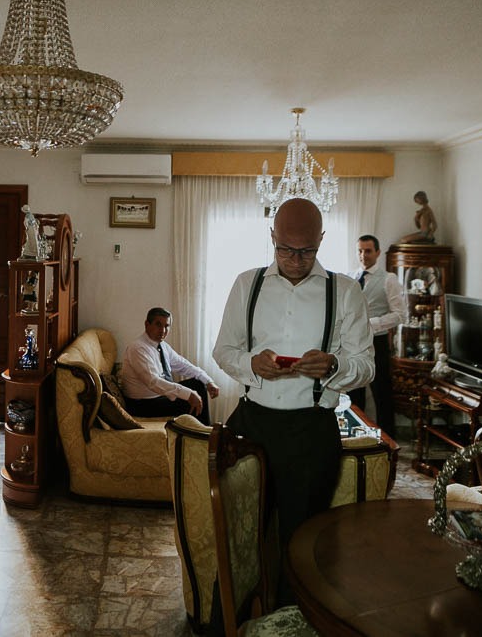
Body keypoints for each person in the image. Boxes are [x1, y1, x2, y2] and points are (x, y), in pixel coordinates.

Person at [212, 198, 373, 602]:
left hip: (312, 430)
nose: (296, 260)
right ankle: (227, 622)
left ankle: (293, 621)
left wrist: (334, 365)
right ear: (271, 238)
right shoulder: (247, 284)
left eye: (306, 250)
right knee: (238, 533)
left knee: (302, 542)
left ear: (320, 240)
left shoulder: (346, 291)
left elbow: (366, 366)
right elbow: (223, 351)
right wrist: (253, 365)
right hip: (250, 426)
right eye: (285, 249)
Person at [348, 235, 405, 437]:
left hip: (377, 342)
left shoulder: (388, 279)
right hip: (352, 344)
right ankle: (356, 436)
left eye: (368, 251)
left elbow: (400, 314)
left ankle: (388, 439)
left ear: (378, 253)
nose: (363, 255)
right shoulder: (351, 277)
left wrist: (371, 324)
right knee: (353, 391)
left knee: (382, 392)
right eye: (360, 251)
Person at [121, 307, 219, 425]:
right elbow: (153, 382)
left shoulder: (162, 346)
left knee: (198, 384)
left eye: (166, 326)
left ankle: (202, 433)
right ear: (147, 324)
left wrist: (208, 381)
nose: (163, 330)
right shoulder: (137, 348)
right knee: (189, 398)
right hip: (142, 404)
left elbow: (183, 365)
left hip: (158, 396)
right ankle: (201, 436)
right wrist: (188, 394)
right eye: (158, 324)